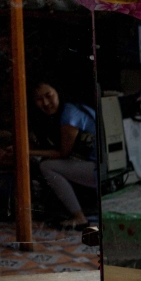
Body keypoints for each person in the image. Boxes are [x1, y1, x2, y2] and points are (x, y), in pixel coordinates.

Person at [29, 80, 97, 229]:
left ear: (57, 92)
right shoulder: (61, 113)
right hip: (94, 167)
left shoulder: (69, 114)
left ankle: (79, 217)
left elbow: (63, 153)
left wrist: (25, 152)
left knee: (47, 166)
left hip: (99, 170)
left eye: (49, 95)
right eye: (39, 99)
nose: (46, 103)